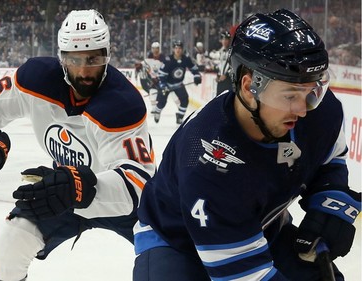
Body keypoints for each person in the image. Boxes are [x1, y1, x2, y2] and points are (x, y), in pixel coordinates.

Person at [133, 9, 361, 281]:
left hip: (259, 227)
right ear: (249, 86)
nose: (303, 110)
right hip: (176, 243)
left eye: (311, 91)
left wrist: (329, 201)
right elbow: (244, 276)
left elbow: (329, 160)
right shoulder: (207, 162)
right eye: (290, 95)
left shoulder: (319, 112)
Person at [0, 9, 155, 281]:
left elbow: (137, 184)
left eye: (94, 59)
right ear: (61, 57)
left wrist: (77, 187)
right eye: (74, 59)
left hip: (122, 202)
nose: (84, 70)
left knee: (174, 260)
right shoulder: (35, 79)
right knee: (10, 244)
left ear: (108, 54)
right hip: (64, 190)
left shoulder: (122, 104)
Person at [152, 40, 202, 125]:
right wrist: (163, 85)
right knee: (162, 103)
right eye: (176, 48)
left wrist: (197, 76)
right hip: (167, 85)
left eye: (179, 48)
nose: (178, 50)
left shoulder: (186, 59)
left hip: (178, 85)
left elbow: (194, 68)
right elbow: (161, 75)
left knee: (185, 100)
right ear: (173, 49)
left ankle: (180, 116)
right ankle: (157, 111)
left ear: (182, 49)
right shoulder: (168, 60)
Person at [135, 42, 166, 109]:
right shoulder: (150, 56)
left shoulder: (163, 58)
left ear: (159, 49)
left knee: (160, 93)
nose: (155, 50)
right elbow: (146, 64)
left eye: (157, 48)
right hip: (152, 78)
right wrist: (140, 65)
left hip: (160, 78)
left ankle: (156, 102)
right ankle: (154, 107)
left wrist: (158, 78)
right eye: (154, 48)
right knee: (151, 91)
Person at [213, 30, 233, 96]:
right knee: (218, 101)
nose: (224, 41)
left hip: (228, 81)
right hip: (221, 81)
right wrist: (218, 75)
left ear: (229, 40)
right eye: (223, 39)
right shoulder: (220, 51)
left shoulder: (232, 52)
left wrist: (226, 75)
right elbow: (220, 65)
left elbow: (233, 66)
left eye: (226, 39)